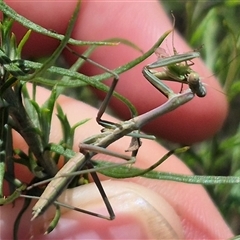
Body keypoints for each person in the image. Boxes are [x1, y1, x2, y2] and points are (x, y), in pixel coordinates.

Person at [1, 1, 232, 239]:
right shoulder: (175, 97)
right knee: (99, 138)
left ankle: (53, 218)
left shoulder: (176, 99)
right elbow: (149, 71)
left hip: (87, 153)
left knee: (112, 209)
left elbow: (149, 71)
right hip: (90, 150)